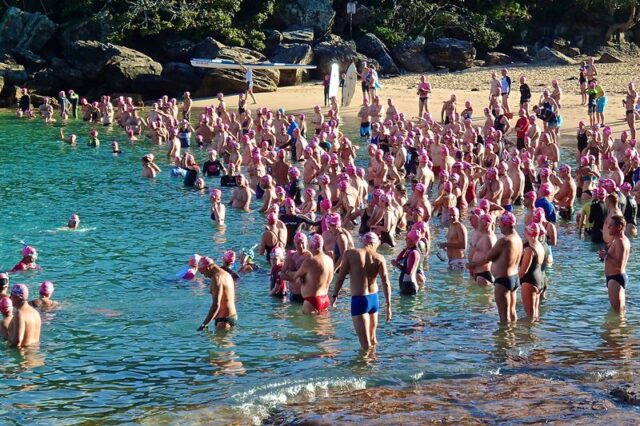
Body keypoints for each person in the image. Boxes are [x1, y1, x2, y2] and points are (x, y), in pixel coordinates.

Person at [331, 232, 392, 350]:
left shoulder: (350, 254)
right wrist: (388, 306)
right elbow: (386, 283)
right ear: (373, 243)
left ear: (364, 241)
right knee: (373, 339)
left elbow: (340, 278)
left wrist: (334, 295)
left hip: (359, 300)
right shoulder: (379, 257)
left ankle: (366, 362)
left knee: (365, 344)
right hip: (374, 299)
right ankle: (374, 360)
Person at [468, 212, 523, 322]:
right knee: (512, 313)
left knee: (504, 318)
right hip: (514, 278)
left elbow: (489, 256)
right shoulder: (518, 239)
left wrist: (473, 263)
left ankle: (505, 334)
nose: (499, 227)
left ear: (505, 224)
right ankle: (514, 333)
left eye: (500, 224)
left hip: (503, 280)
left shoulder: (504, 241)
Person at [294, 234, 335, 314]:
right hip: (325, 300)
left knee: (306, 322)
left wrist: (287, 272)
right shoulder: (329, 260)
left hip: (312, 301)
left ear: (311, 246)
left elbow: (295, 276)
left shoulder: (311, 261)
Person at [599, 215, 630, 312]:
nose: (608, 227)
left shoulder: (620, 241)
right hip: (615, 278)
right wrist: (606, 254)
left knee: (618, 313)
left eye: (611, 225)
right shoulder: (619, 240)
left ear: (619, 227)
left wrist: (606, 256)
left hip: (615, 279)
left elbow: (619, 264)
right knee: (619, 312)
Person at [196, 257, 237, 330]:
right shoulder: (227, 274)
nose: (205, 276)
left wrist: (204, 325)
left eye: (203, 272)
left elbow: (216, 304)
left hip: (224, 320)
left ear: (208, 268)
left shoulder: (217, 278)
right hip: (232, 315)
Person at [519, 223, 545, 320]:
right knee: (535, 314)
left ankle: (527, 330)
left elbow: (523, 271)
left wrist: (512, 282)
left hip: (529, 281)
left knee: (529, 315)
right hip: (540, 280)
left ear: (527, 233)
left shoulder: (529, 250)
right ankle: (536, 330)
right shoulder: (540, 246)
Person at [392, 230, 422, 295]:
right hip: (406, 284)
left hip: (409, 285)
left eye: (407, 238)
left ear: (412, 241)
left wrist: (397, 265)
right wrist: (404, 249)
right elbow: (398, 259)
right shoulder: (410, 251)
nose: (405, 239)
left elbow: (409, 272)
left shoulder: (414, 253)